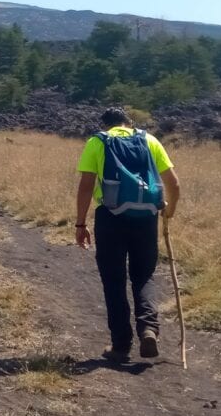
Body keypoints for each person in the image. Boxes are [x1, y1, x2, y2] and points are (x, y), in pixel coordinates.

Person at [75, 107, 181, 363]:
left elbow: (86, 185)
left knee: (114, 280)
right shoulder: (149, 140)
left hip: (110, 217)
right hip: (146, 218)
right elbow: (174, 184)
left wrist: (80, 224)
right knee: (143, 276)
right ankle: (148, 329)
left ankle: (121, 345)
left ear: (105, 124)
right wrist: (168, 213)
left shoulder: (98, 141)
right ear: (129, 122)